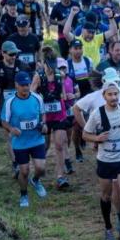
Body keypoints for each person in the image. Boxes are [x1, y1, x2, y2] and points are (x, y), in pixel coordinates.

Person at [83, 79, 120, 240]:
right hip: (105, 160)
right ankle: (108, 228)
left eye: (116, 94)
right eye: (110, 94)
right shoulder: (97, 114)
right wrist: (97, 138)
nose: (114, 97)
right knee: (106, 196)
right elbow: (86, 134)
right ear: (104, 96)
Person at [0, 69, 47, 208]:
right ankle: (24, 194)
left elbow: (43, 114)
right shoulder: (10, 102)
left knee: (41, 168)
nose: (25, 87)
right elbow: (3, 121)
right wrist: (11, 129)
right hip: (20, 142)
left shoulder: (37, 98)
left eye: (27, 84)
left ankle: (36, 180)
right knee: (24, 171)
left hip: (36, 139)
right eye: (22, 85)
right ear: (16, 85)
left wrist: (43, 124)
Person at [39, 58, 75, 189]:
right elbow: (32, 94)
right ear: (43, 64)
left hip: (59, 114)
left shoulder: (60, 75)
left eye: (53, 65)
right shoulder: (39, 77)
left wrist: (69, 96)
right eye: (48, 65)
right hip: (45, 116)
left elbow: (63, 96)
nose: (51, 68)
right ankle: (39, 166)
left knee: (59, 145)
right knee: (46, 144)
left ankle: (60, 177)